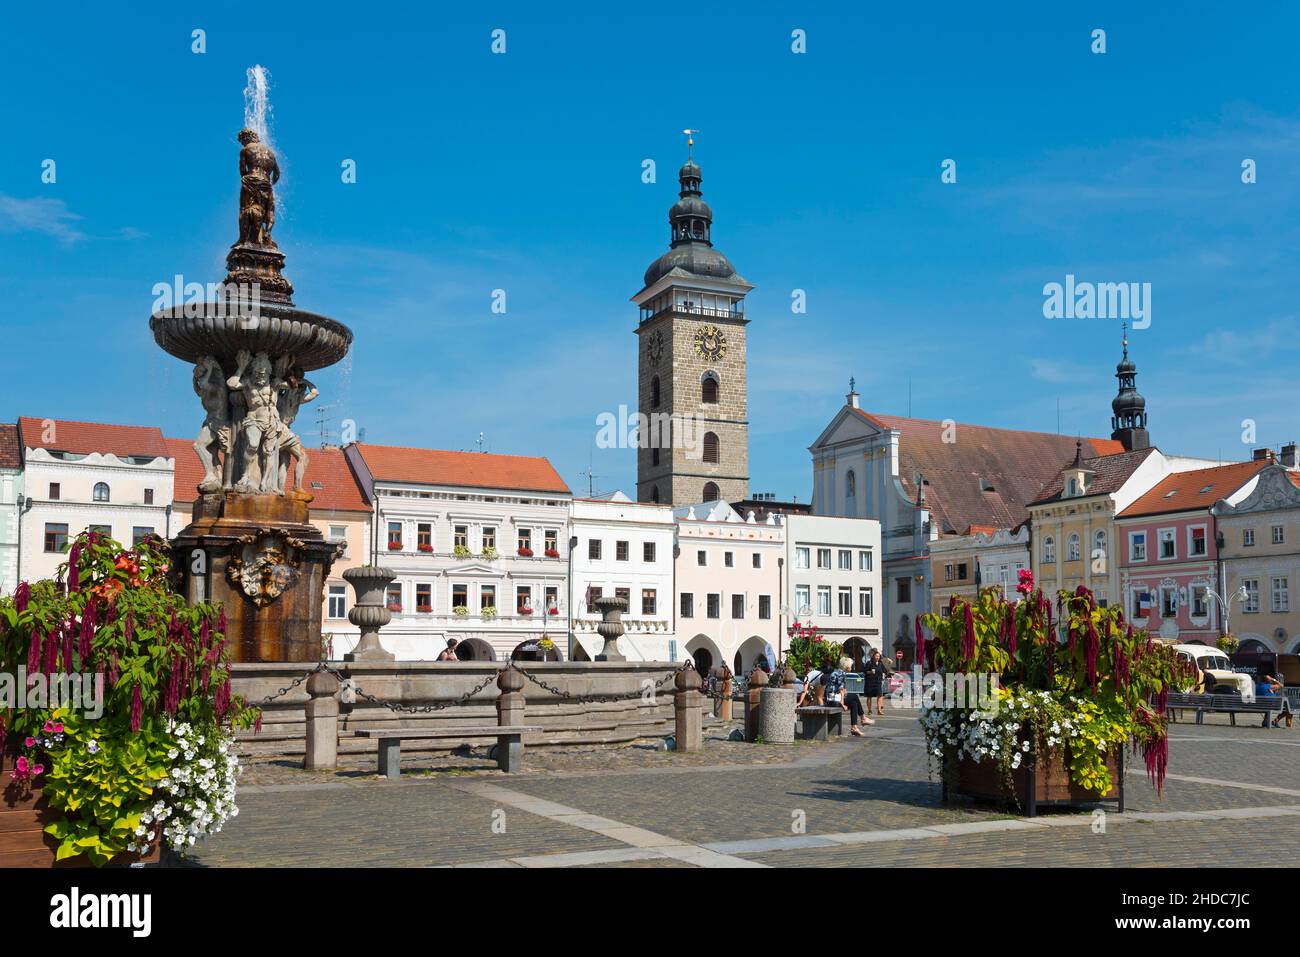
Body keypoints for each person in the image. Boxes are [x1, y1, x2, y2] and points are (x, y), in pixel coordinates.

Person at [828, 655, 872, 735]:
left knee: (853, 703)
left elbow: (840, 689)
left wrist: (844, 693)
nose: (852, 667)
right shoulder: (841, 674)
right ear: (847, 666)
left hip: (832, 699)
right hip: (834, 701)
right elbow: (841, 690)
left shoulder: (837, 672)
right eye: (851, 665)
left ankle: (854, 727)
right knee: (854, 696)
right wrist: (842, 704)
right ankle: (863, 718)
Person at [863, 649, 887, 716]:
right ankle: (869, 710)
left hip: (878, 682)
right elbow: (864, 671)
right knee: (869, 696)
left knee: (880, 696)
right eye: (876, 656)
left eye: (879, 656)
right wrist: (870, 672)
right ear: (873, 656)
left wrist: (885, 674)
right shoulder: (869, 663)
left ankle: (879, 710)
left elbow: (885, 671)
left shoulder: (880, 664)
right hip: (870, 682)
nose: (877, 657)